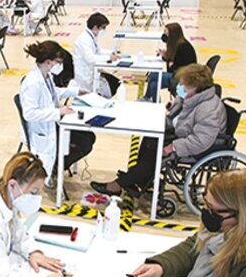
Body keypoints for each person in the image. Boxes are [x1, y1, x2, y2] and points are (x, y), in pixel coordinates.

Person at [91, 64, 225, 197]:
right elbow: (182, 107)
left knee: (154, 153)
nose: (179, 87)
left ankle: (118, 185)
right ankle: (138, 179)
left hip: (196, 146)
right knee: (149, 137)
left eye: (183, 85)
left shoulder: (208, 109)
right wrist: (172, 108)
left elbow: (202, 140)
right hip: (180, 133)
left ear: (195, 87)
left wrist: (173, 147)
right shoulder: (193, 97)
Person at [19, 40, 95, 182]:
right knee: (84, 143)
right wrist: (58, 112)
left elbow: (54, 92)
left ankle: (59, 164)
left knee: (89, 137)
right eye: (58, 62)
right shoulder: (33, 82)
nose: (59, 66)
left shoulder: (46, 76)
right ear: (49, 62)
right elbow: (29, 114)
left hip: (53, 123)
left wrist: (76, 91)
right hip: (42, 130)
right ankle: (55, 167)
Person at [144, 22, 198, 101]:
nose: (164, 35)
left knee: (154, 80)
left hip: (183, 77)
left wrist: (172, 65)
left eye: (166, 33)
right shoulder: (177, 45)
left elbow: (182, 66)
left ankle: (148, 99)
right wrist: (165, 56)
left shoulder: (184, 48)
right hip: (176, 74)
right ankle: (149, 99)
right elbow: (175, 61)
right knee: (153, 81)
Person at [71, 12, 118, 97]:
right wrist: (108, 57)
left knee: (112, 83)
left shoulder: (92, 37)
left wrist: (111, 53)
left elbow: (98, 51)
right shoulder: (84, 39)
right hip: (84, 76)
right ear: (96, 27)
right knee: (106, 88)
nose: (104, 30)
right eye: (103, 28)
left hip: (91, 72)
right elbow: (90, 58)